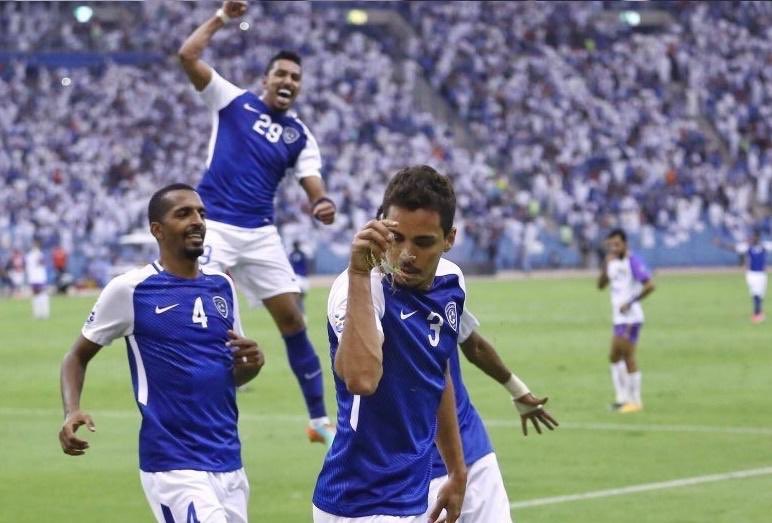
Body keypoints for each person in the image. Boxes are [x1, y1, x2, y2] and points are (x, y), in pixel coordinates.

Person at [178, 0, 337, 446]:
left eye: (295, 78)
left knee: (292, 320)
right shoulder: (233, 101)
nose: (288, 81)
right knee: (207, 313)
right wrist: (221, 18)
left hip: (260, 232)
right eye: (281, 74)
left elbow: (313, 183)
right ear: (265, 79)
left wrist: (322, 202)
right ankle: (202, 407)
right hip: (214, 225)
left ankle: (318, 420)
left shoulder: (299, 135)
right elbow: (187, 55)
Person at [59, 184, 265, 523]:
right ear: (157, 229)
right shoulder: (131, 289)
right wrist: (71, 410)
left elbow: (229, 373)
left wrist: (252, 365)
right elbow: (76, 356)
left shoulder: (222, 285)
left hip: (228, 458)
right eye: (183, 214)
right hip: (174, 464)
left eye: (201, 213)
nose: (197, 220)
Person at [313, 165, 467, 522]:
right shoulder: (358, 289)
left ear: (449, 239)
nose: (407, 254)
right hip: (359, 500)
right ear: (381, 227)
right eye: (397, 238)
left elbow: (436, 370)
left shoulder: (452, 284)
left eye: (423, 242)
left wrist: (457, 471)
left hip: (411, 493)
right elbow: (361, 379)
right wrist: (358, 273)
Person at [427, 310, 559, 522]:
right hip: (415, 468)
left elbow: (474, 346)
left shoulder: (448, 290)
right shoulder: (374, 302)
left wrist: (518, 390)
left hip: (471, 448)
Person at [598, 229, 655, 413]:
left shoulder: (633, 261)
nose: (614, 248)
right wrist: (605, 267)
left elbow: (650, 285)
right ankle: (622, 398)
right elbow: (600, 285)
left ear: (625, 244)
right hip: (618, 318)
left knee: (628, 356)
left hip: (631, 317)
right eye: (611, 245)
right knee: (614, 356)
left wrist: (630, 302)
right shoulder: (612, 263)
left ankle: (635, 401)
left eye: (617, 244)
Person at [715, 231, 771, 323]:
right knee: (755, 293)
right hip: (752, 274)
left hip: (762, 274)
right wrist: (721, 244)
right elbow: (734, 248)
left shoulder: (764, 246)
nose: (754, 239)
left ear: (759, 238)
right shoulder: (748, 247)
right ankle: (757, 314)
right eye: (753, 237)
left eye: (755, 237)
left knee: (760, 294)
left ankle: (759, 312)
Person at [25, 240, 50, 319]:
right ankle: (38, 313)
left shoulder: (39, 255)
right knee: (36, 295)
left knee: (42, 294)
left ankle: (44, 313)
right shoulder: (30, 255)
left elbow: (42, 263)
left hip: (39, 277)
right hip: (34, 278)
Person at [288, 240, 310, 313]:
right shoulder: (302, 254)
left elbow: (290, 265)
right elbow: (307, 264)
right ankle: (300, 311)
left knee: (299, 296)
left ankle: (298, 309)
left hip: (296, 277)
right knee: (300, 296)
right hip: (302, 277)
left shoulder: (291, 254)